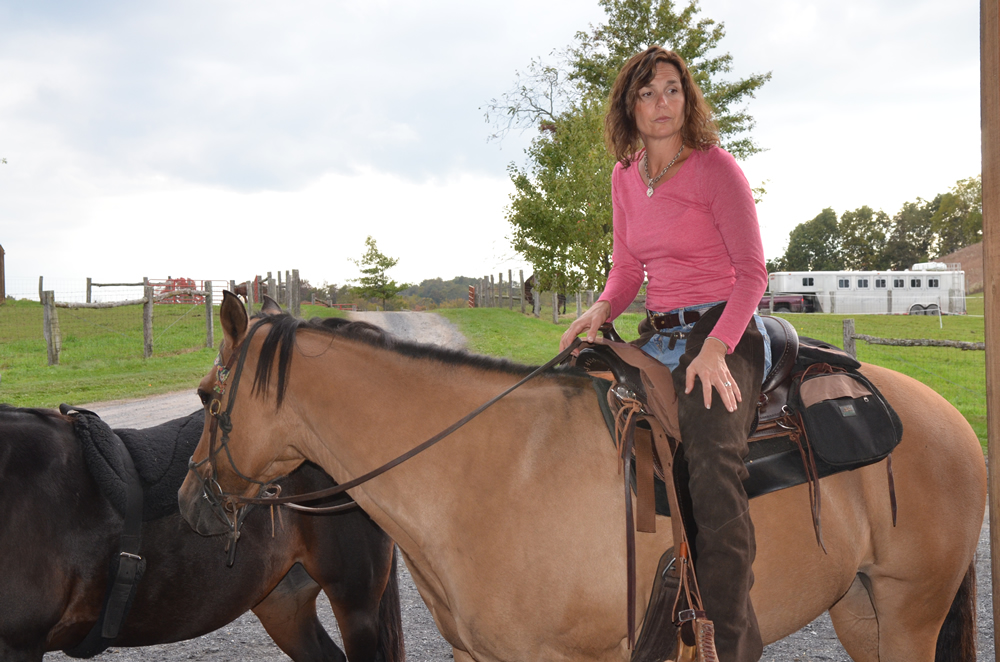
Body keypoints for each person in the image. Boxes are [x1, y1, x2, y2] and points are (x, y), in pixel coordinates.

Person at [559, 46, 770, 662]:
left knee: (711, 463)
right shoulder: (625, 175)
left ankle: (728, 641)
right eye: (647, 92)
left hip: (724, 329)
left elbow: (753, 274)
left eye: (672, 89)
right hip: (658, 333)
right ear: (629, 106)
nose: (661, 103)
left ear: (688, 98)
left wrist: (716, 350)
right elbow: (627, 268)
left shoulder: (715, 168)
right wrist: (601, 309)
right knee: (573, 391)